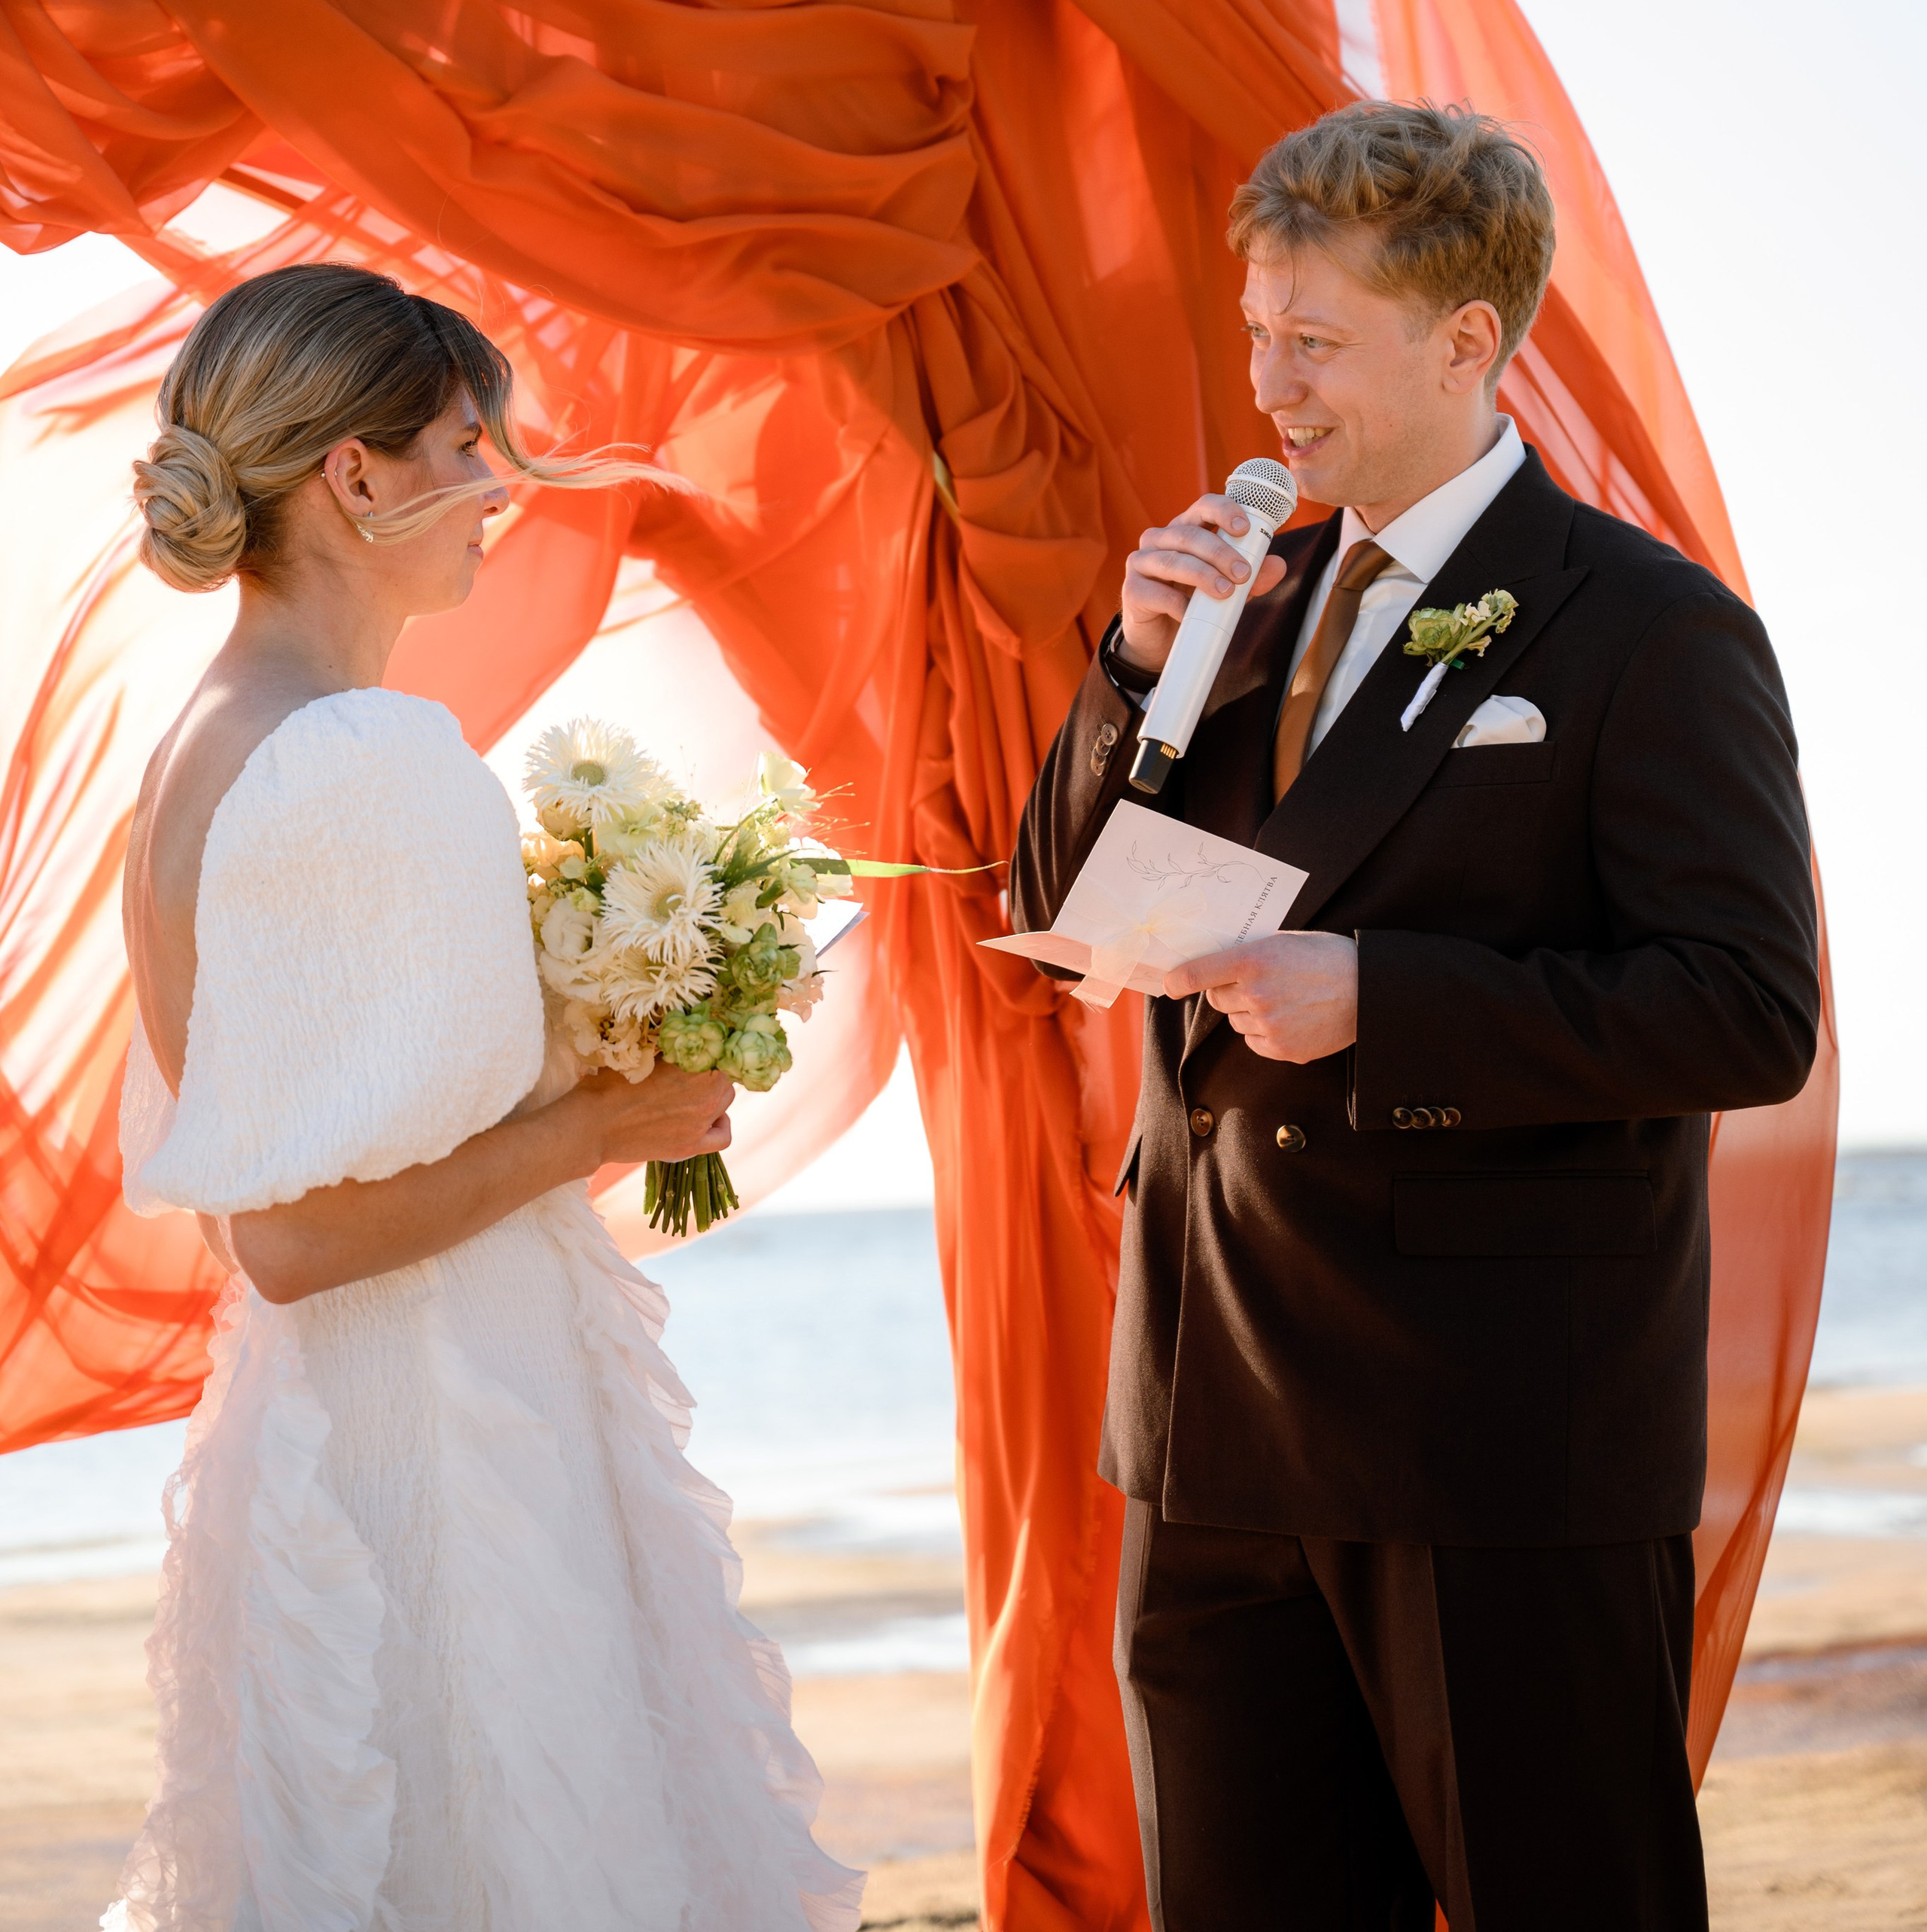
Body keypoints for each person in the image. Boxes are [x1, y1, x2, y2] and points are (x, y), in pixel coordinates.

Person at [1009, 102, 1820, 1932]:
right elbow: (1064, 912)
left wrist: (1384, 995)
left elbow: (1744, 1009)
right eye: (1253, 331)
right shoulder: (1241, 590)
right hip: (1205, 1410)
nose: (1264, 384)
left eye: (1314, 340)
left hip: (1486, 1428)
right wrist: (1132, 663)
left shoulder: (1645, 630)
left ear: (1466, 341)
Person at [108, 263, 861, 1932]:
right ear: (354, 475)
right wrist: (610, 1119)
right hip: (441, 1446)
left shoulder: (204, 744)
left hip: (333, 1435)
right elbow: (294, 1236)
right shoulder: (360, 758)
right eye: (466, 443)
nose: (500, 489)